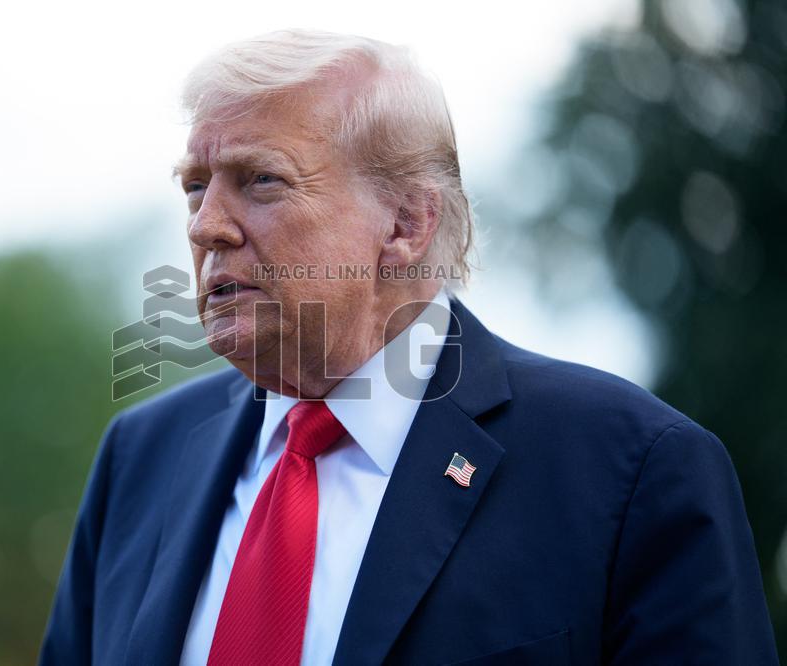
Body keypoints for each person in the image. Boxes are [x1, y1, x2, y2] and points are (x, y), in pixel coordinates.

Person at [38, 30, 779, 665]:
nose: (206, 227)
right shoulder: (140, 457)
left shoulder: (635, 471)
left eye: (260, 180)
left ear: (405, 225)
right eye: (195, 186)